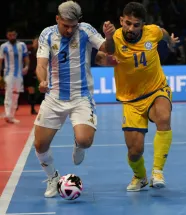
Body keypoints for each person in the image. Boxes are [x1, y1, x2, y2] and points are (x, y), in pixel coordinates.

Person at [34, 0, 115, 198]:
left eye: (73, 26)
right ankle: (53, 177)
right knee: (40, 145)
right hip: (54, 97)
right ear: (57, 19)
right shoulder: (47, 34)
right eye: (65, 26)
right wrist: (42, 80)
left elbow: (109, 49)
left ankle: (79, 145)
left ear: (79, 22)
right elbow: (41, 64)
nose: (69, 30)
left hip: (81, 96)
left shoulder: (86, 30)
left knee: (85, 140)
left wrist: (109, 36)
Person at [95, 2, 179, 191]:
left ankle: (158, 171)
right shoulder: (114, 37)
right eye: (127, 23)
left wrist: (170, 41)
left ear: (143, 25)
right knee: (134, 151)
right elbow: (100, 56)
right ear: (121, 21)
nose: (131, 28)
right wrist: (107, 60)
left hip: (156, 89)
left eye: (136, 25)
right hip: (131, 100)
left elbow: (163, 33)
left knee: (163, 117)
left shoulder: (153, 32)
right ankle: (140, 177)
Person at [0, 27, 30, 123]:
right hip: (8, 74)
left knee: (16, 95)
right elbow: (0, 61)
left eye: (13, 35)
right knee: (9, 93)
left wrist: (27, 67)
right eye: (10, 35)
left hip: (19, 74)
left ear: (16, 35)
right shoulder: (3, 46)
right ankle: (8, 114)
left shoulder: (22, 45)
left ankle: (12, 116)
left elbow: (26, 57)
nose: (12, 37)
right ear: (7, 36)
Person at [24, 36, 39, 115]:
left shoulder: (41, 50)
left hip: (34, 73)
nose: (38, 43)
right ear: (33, 41)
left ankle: (32, 109)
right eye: (37, 41)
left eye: (39, 41)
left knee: (33, 90)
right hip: (25, 72)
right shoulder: (27, 49)